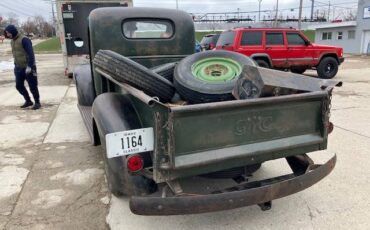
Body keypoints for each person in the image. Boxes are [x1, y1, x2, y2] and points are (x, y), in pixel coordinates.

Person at [4, 25, 41, 110]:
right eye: (6, 33)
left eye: (8, 33)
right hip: (18, 68)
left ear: (12, 31)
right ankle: (28, 101)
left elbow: (31, 53)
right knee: (19, 85)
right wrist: (15, 64)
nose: (8, 35)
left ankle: (37, 102)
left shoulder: (24, 39)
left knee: (33, 86)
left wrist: (30, 66)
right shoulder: (12, 41)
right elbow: (15, 54)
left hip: (28, 67)